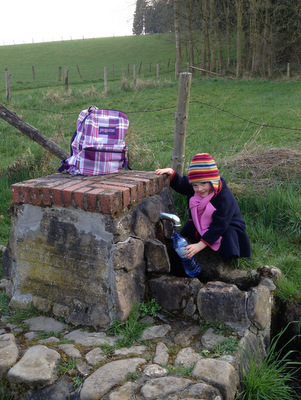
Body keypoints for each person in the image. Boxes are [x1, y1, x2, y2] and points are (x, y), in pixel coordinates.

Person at [155, 153, 251, 262]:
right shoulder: (195, 186)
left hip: (227, 224)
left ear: (213, 182)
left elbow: (220, 224)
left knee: (228, 238)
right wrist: (172, 174)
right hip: (201, 222)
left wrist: (200, 245)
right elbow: (182, 184)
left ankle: (227, 261)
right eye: (195, 185)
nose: (199, 189)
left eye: (204, 184)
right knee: (186, 233)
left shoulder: (224, 198)